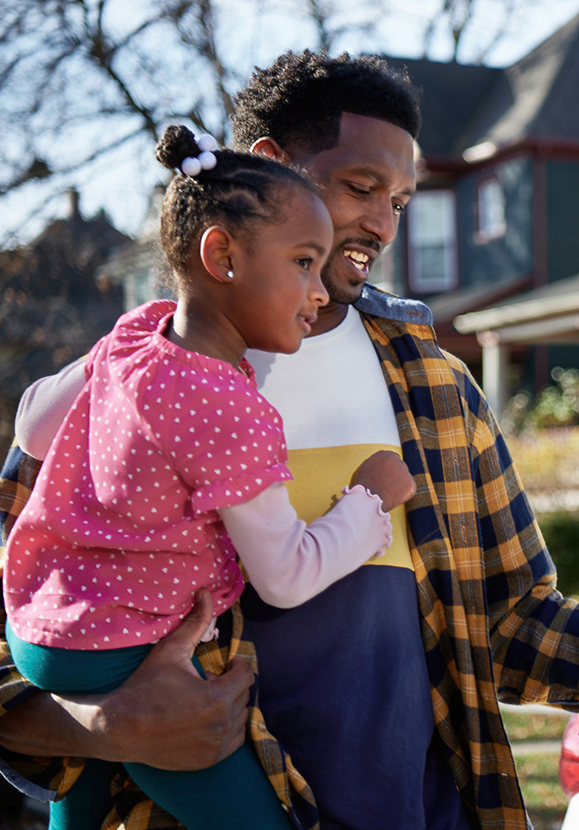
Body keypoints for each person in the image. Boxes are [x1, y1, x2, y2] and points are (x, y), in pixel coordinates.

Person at [0, 51, 579, 830]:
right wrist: (98, 726)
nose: (381, 223)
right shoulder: (116, 390)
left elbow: (513, 625)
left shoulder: (437, 393)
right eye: (360, 188)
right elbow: (22, 624)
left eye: (400, 201)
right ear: (271, 169)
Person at [3, 125, 416, 830]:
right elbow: (286, 574)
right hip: (119, 656)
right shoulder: (231, 408)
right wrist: (369, 499)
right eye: (303, 264)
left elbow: (35, 427)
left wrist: (107, 370)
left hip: (41, 635)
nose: (317, 292)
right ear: (221, 255)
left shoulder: (139, 337)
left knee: (85, 802)